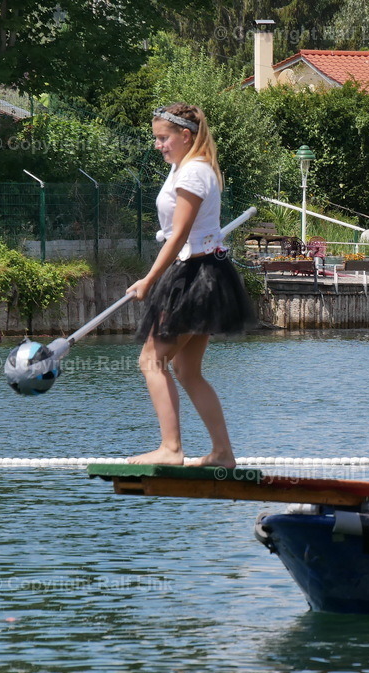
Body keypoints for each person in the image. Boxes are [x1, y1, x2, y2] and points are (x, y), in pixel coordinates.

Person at [127, 103, 255, 468]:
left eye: (163, 138)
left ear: (186, 136)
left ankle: (170, 449)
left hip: (196, 275)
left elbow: (180, 232)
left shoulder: (193, 173)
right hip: (202, 270)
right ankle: (222, 454)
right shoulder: (184, 168)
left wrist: (149, 279)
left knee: (152, 360)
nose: (158, 145)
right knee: (186, 370)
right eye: (156, 138)